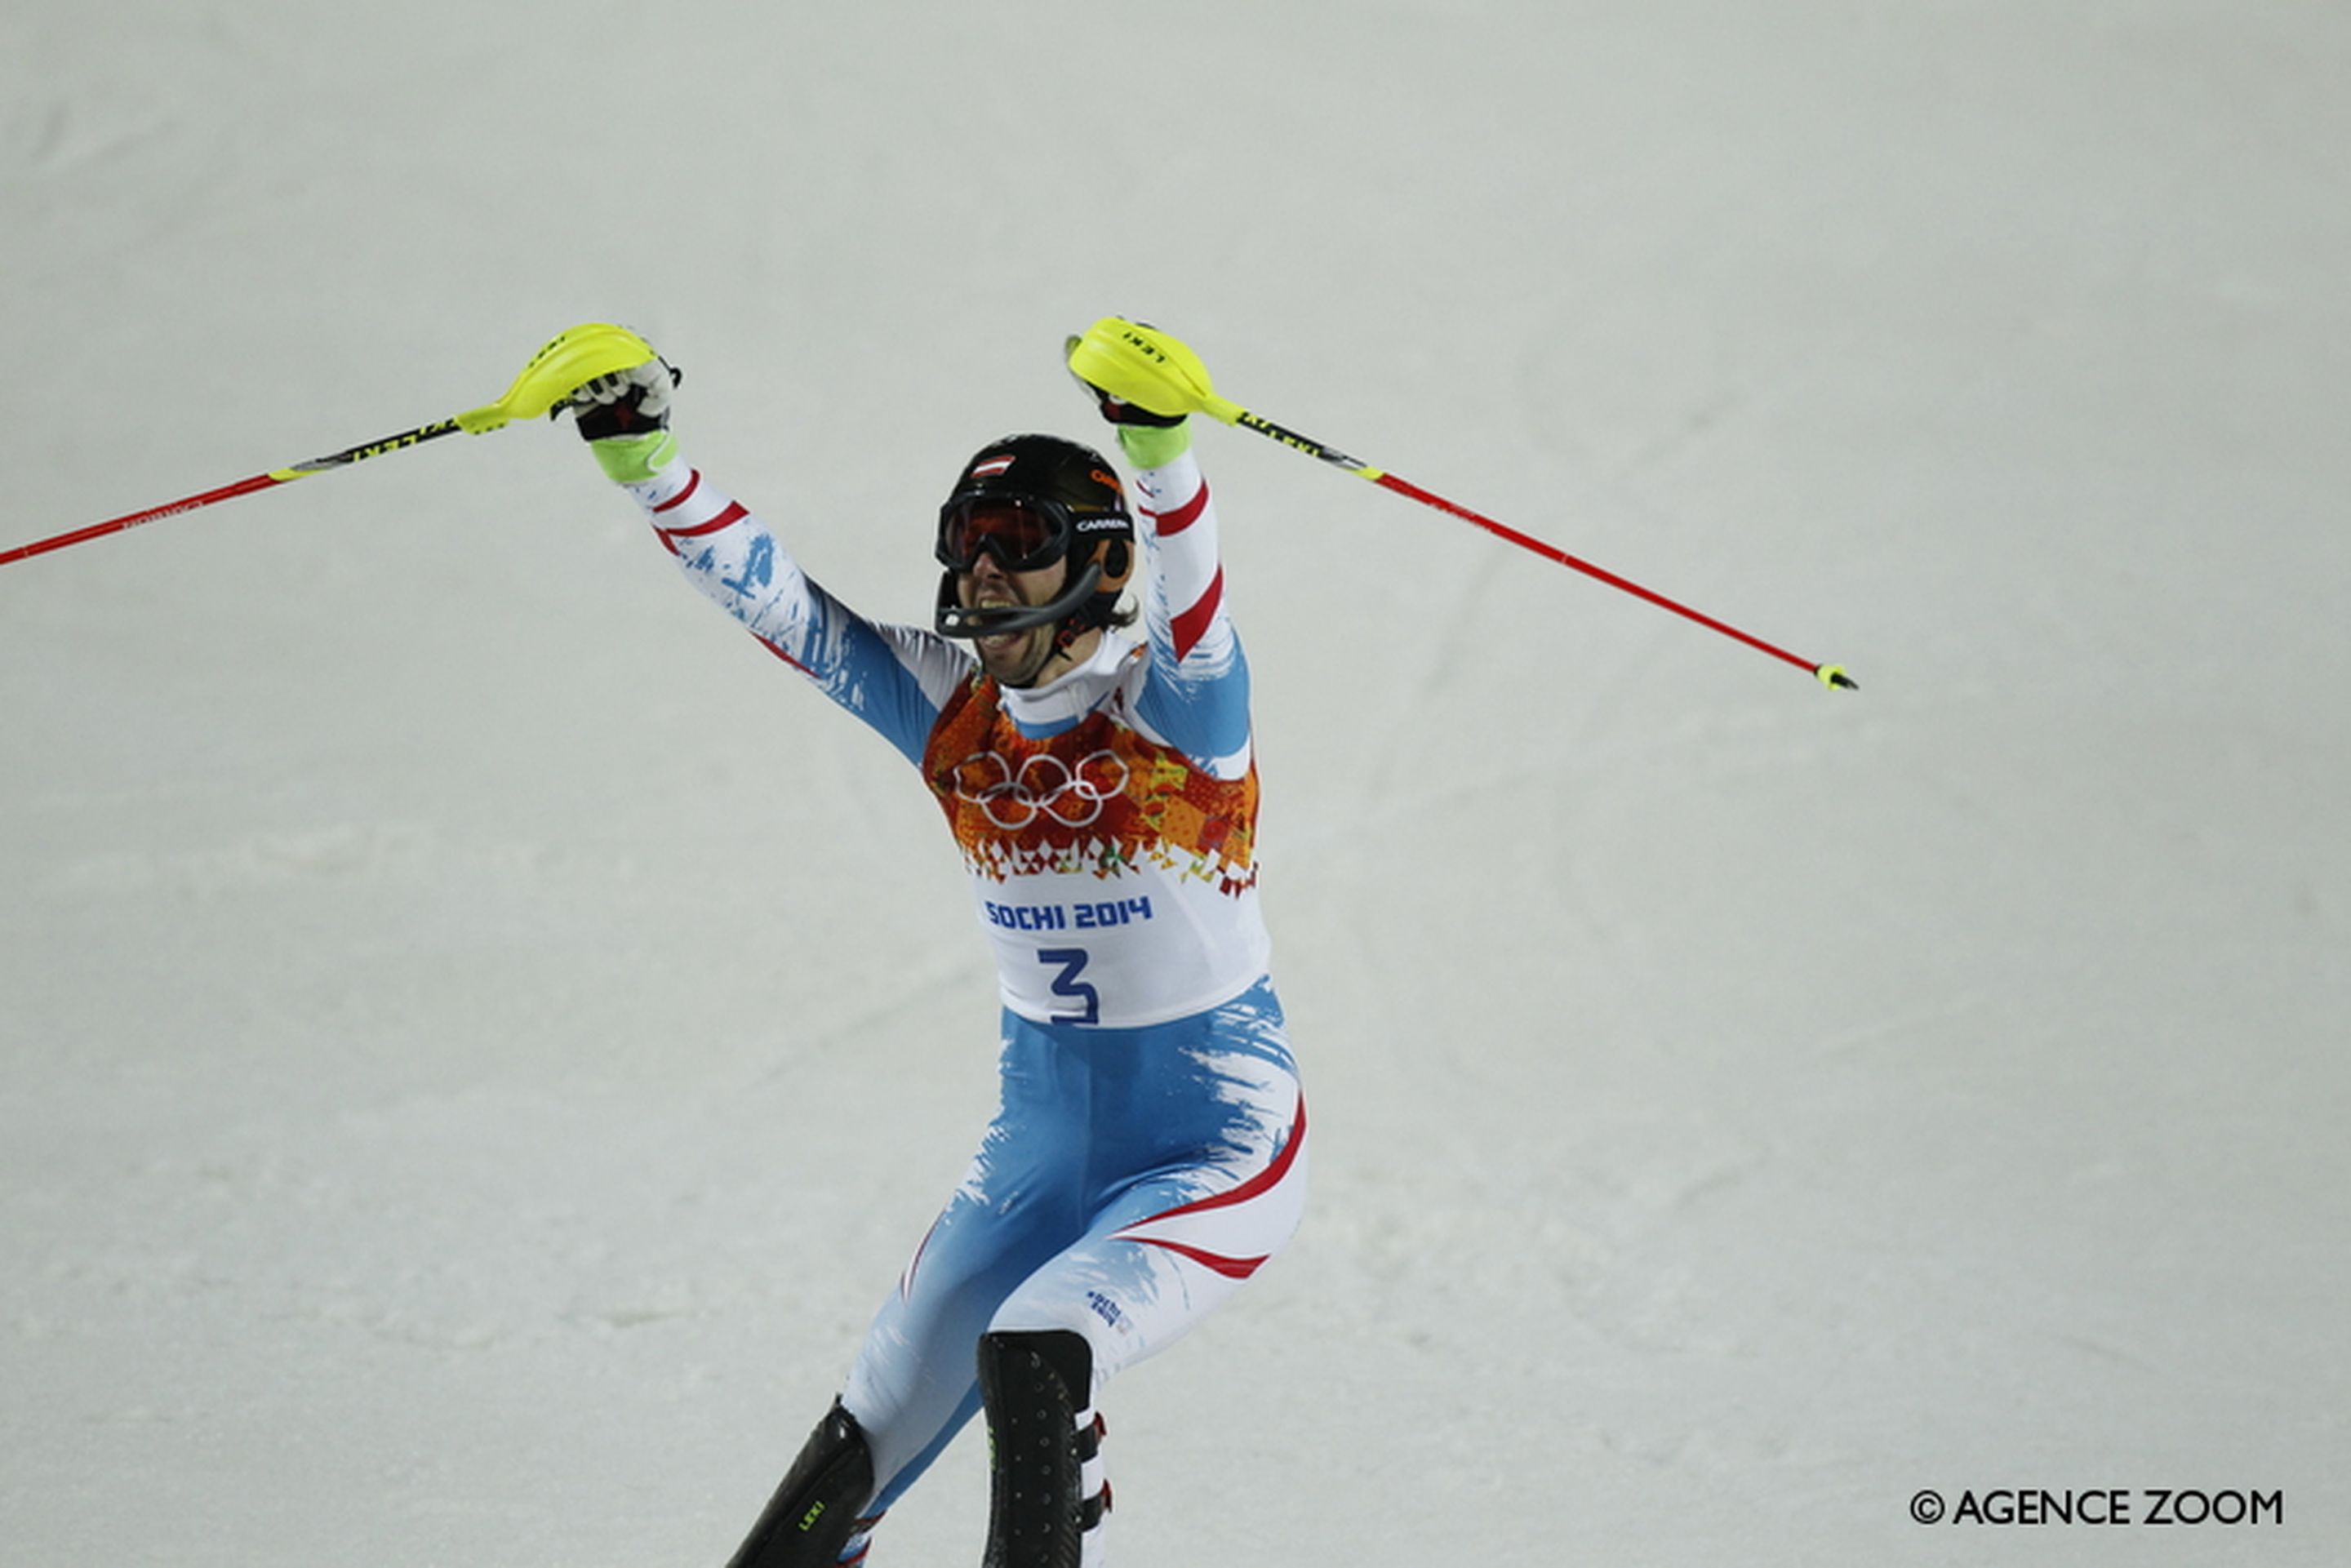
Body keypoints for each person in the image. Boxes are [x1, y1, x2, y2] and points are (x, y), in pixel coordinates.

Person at [568, 318, 1308, 1568]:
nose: (980, 578)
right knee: (845, 1464)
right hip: (1034, 1159)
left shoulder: (1179, 711)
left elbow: (1197, 600)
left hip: (1212, 1146)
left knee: (1035, 1354)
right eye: (966, 550)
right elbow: (784, 606)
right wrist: (644, 457)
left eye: (1015, 547)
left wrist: (1162, 450)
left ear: (1100, 563)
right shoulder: (955, 712)